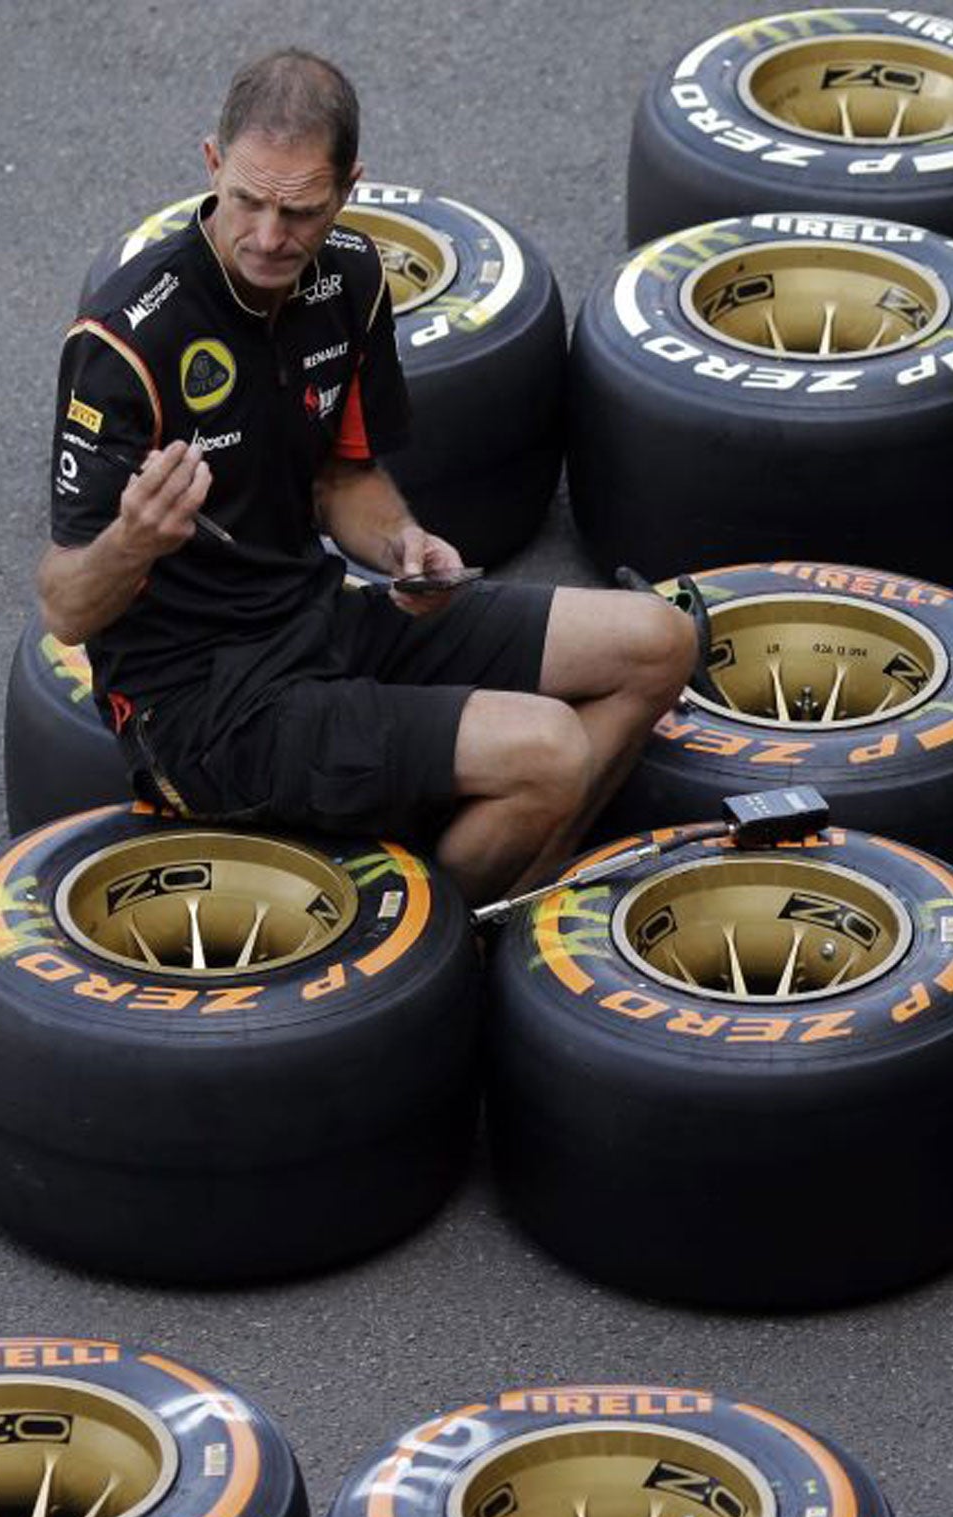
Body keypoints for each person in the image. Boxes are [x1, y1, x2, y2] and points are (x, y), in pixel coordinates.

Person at [36, 49, 701, 905]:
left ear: (349, 186)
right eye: (247, 200)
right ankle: (424, 950)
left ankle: (502, 881)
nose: (270, 236)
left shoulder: (349, 277)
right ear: (212, 164)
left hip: (321, 616)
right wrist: (131, 543)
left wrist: (403, 544)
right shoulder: (126, 341)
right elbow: (64, 604)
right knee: (549, 751)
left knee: (659, 642)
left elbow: (345, 480)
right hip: (204, 706)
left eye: (300, 210)